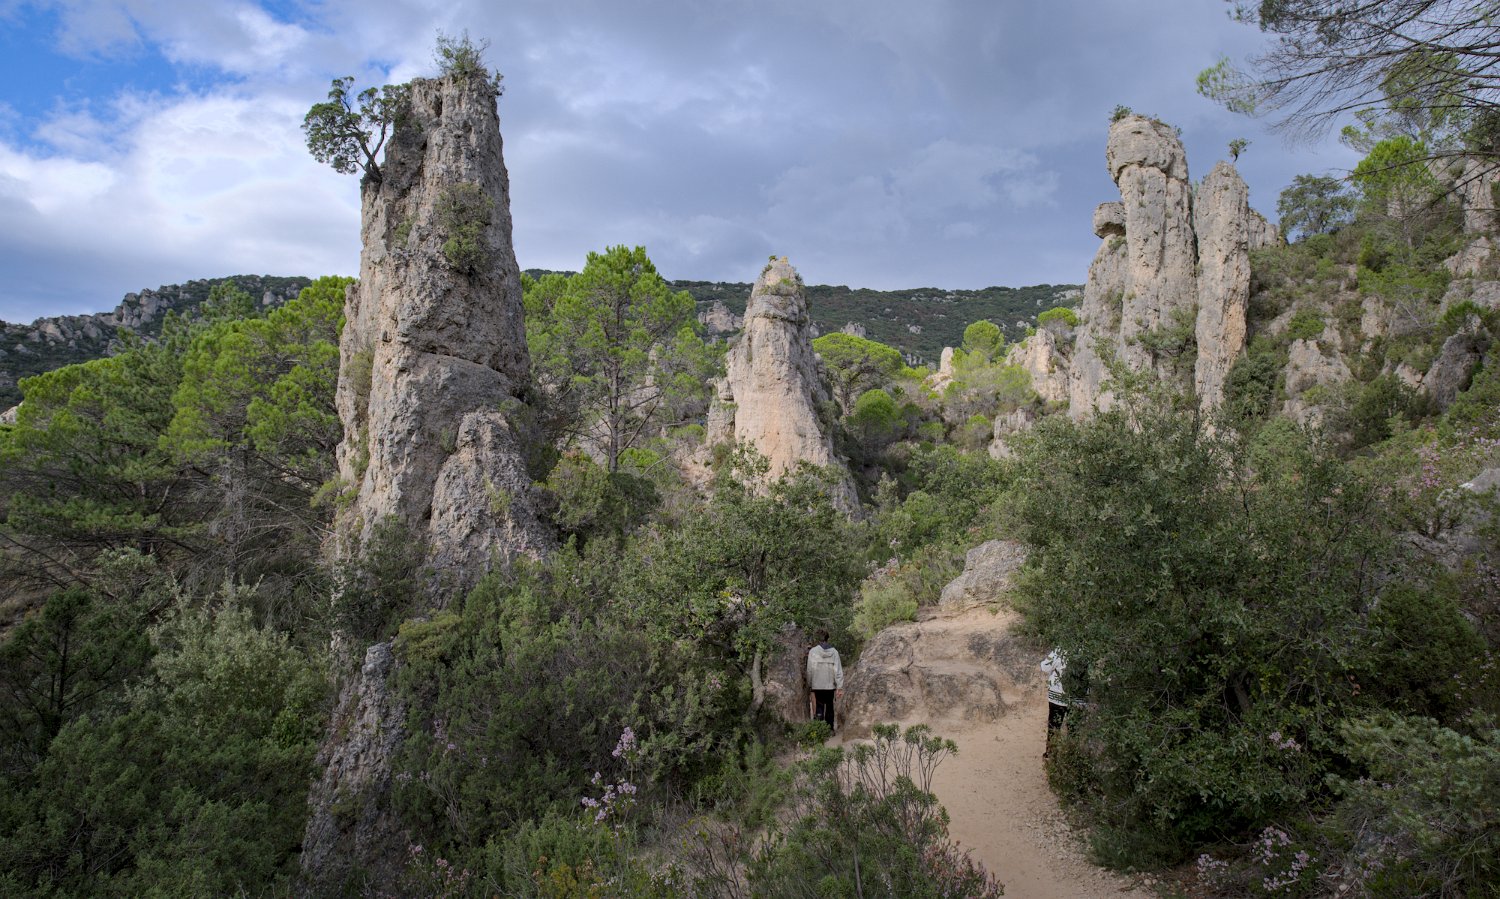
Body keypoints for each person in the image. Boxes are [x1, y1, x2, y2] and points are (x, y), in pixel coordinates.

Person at [806, 629, 844, 731]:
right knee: (830, 706)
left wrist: (810, 684)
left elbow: (809, 670)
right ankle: (830, 729)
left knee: (819, 706)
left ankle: (819, 730)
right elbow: (838, 670)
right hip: (830, 686)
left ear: (818, 639)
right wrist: (839, 686)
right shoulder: (834, 652)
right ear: (827, 638)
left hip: (817, 685)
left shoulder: (813, 652)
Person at [1040, 648, 1069, 758]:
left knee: (1054, 725)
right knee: (1074, 728)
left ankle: (1051, 754)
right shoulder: (1088, 650)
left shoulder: (1060, 650)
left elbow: (1044, 667)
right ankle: (1072, 756)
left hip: (1058, 695)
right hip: (1079, 697)